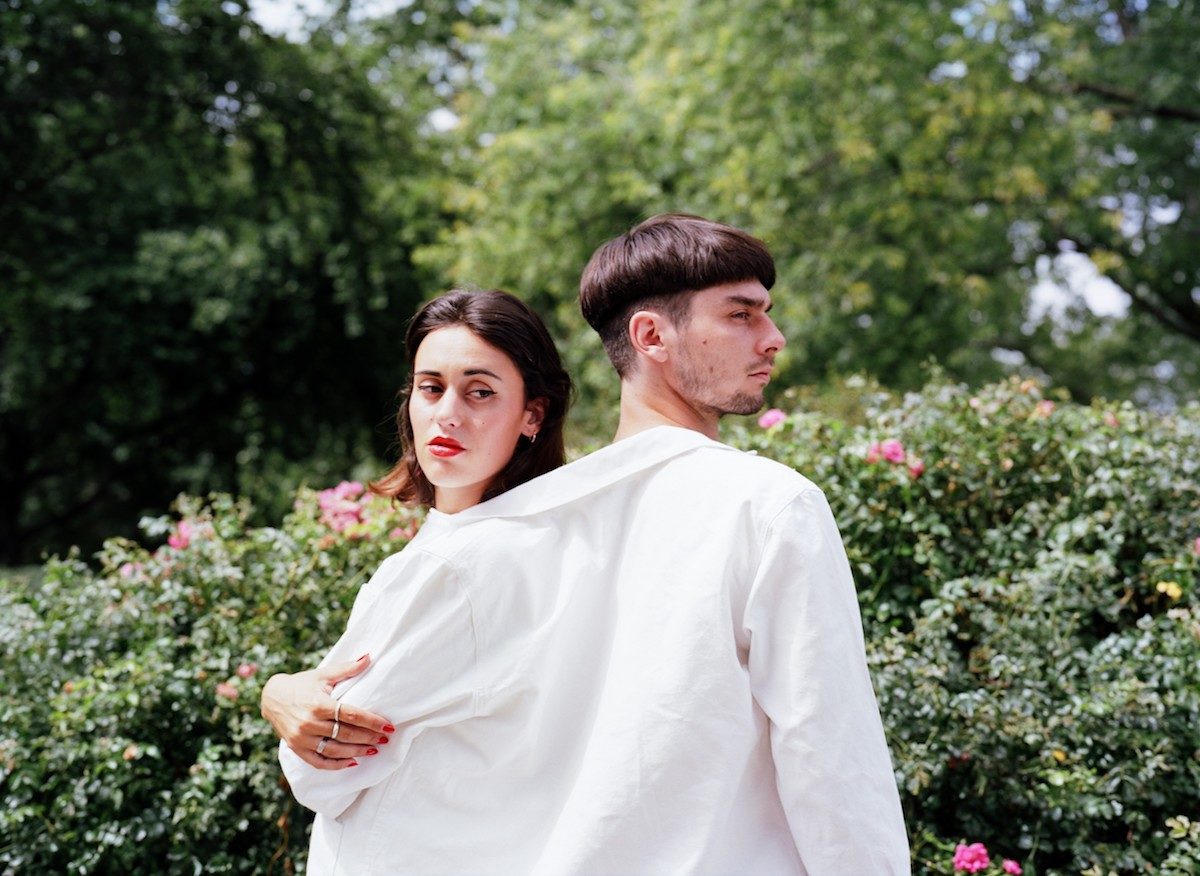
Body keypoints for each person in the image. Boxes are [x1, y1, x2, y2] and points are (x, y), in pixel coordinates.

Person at [271, 215, 909, 874]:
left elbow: (324, 774)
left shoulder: (494, 540)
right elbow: (833, 767)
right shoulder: (769, 508)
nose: (773, 338)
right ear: (651, 335)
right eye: (741, 315)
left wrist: (282, 691)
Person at [260, 287, 572, 770]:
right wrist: (280, 690)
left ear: (533, 414)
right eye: (431, 388)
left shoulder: (458, 564)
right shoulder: (526, 538)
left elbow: (320, 768)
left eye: (480, 392)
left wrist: (277, 694)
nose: (447, 414)